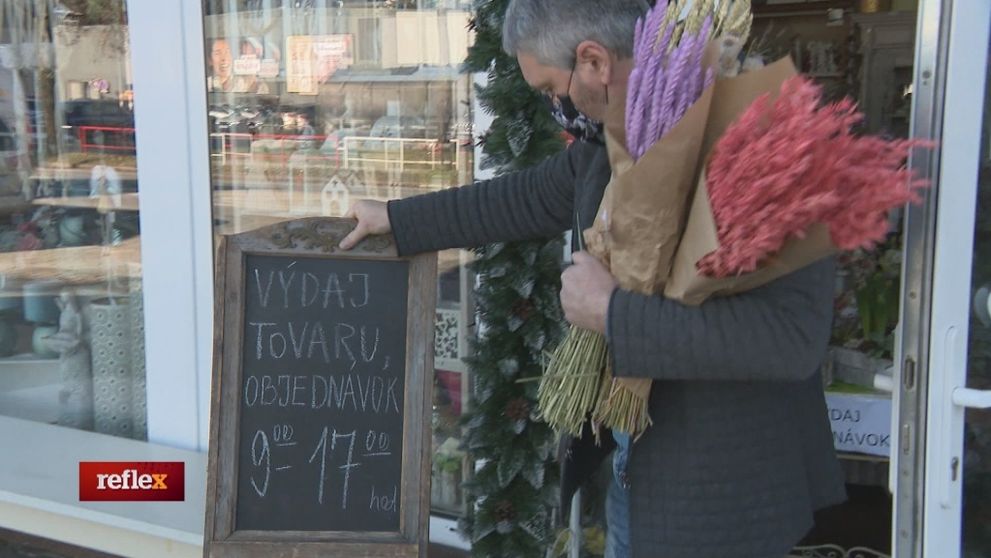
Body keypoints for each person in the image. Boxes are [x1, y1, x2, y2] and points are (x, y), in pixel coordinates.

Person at [340, 1, 846, 556]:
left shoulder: (764, 147)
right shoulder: (617, 143)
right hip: (638, 474)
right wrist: (395, 220)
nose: (553, 106)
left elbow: (789, 341)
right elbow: (525, 196)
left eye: (551, 88)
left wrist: (612, 314)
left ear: (594, 61)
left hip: (721, 504)